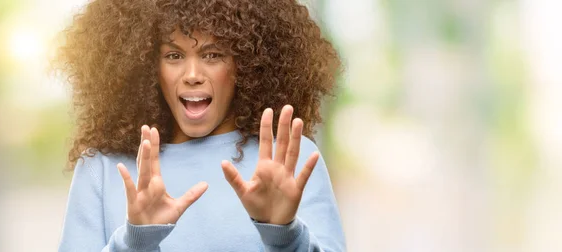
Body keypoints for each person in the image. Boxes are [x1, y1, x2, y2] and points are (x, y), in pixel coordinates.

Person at [55, 0, 345, 251]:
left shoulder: (289, 159)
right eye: (174, 56)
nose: (192, 74)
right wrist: (136, 242)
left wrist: (284, 233)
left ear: (247, 63)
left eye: (212, 54)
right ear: (145, 66)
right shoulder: (104, 169)